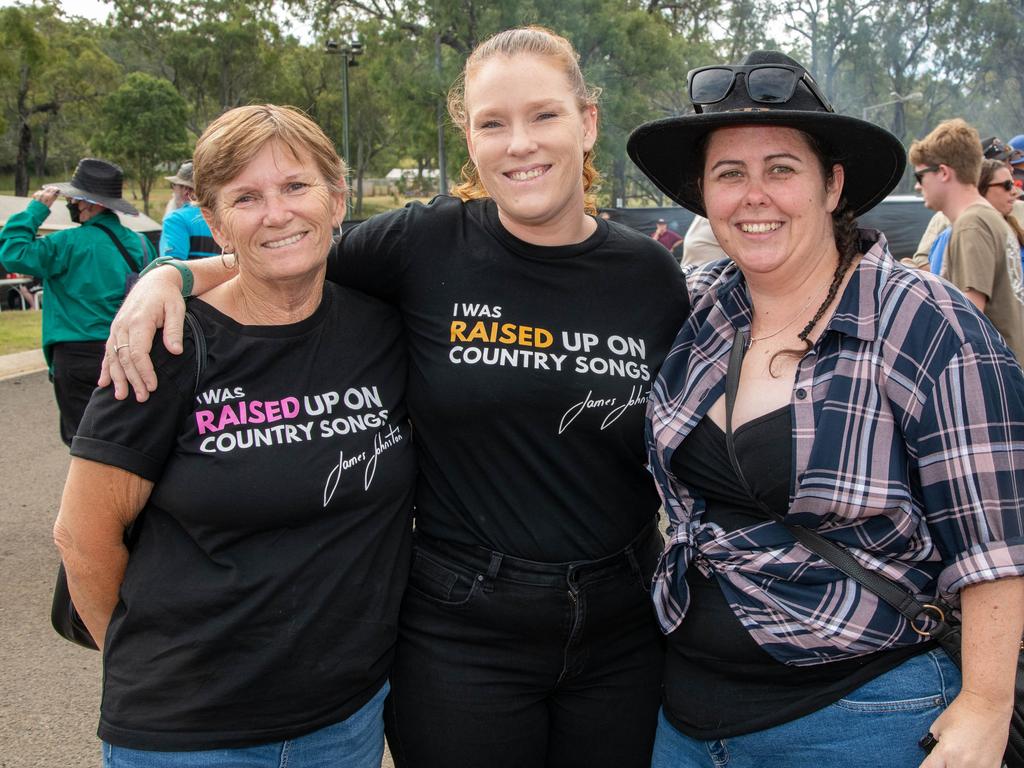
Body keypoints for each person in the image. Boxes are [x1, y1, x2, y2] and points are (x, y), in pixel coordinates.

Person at [100, 26, 690, 768]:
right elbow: (286, 248)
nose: (520, 144)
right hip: (463, 626)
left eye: (544, 115)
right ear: (468, 138)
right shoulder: (425, 242)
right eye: (492, 123)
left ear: (587, 122)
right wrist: (171, 277)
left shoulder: (649, 277)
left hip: (621, 622)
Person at [628, 50, 1024, 767]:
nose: (755, 195)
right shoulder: (702, 311)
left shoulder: (923, 323)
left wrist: (987, 706)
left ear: (832, 184)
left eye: (781, 168)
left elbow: (996, 538)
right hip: (685, 719)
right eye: (729, 173)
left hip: (862, 718)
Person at [53, 105, 416, 766]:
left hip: (344, 721)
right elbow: (83, 535)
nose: (277, 214)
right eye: (246, 197)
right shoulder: (166, 343)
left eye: (296, 187)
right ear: (214, 222)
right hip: (188, 733)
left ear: (337, 201)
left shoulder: (382, 326)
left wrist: (170, 270)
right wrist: (153, 667)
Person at [0, 158, 155, 446]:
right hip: (128, 349)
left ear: (90, 204)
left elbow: (12, 252)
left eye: (73, 200)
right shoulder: (142, 244)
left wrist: (35, 211)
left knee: (83, 440)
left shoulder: (66, 243)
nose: (70, 205)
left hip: (75, 354)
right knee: (126, 437)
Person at [910, 119, 1024, 361]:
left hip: (992, 377)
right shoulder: (990, 217)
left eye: (920, 176)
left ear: (943, 172)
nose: (917, 186)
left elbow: (968, 323)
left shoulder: (972, 225)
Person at [158, 161, 218, 259]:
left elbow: (172, 267)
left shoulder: (175, 220)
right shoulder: (223, 218)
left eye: (174, 185)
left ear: (186, 191)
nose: (173, 190)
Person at [979, 157, 1024, 273]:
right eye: (1007, 185)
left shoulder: (1013, 228)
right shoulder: (961, 232)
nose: (1014, 191)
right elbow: (942, 288)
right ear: (981, 188)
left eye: (1013, 184)